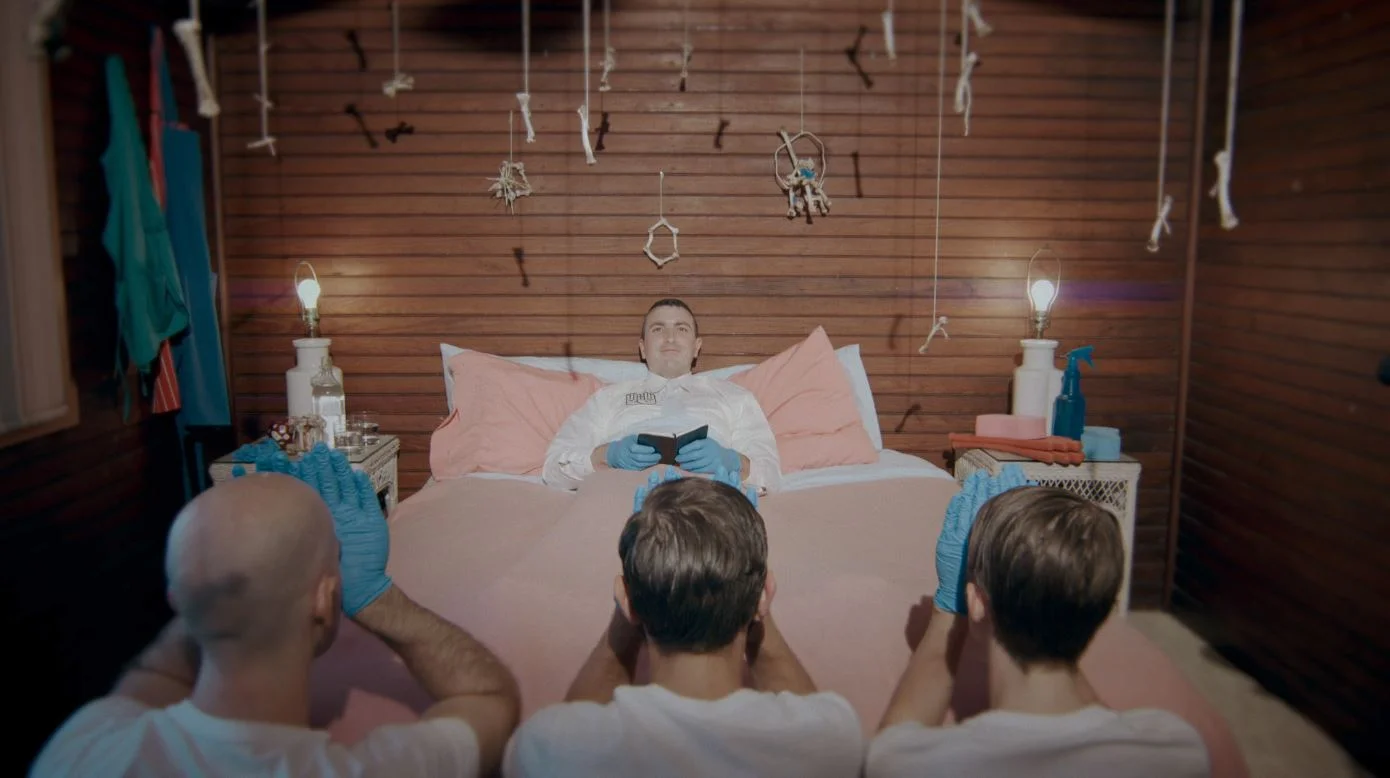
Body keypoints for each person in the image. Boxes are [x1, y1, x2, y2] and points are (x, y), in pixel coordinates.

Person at [30, 446, 521, 777]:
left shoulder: (84, 745)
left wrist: (224, 554)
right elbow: (489, 698)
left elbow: (154, 674)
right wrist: (373, 595)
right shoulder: (379, 769)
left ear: (177, 599)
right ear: (324, 601)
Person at [504, 469, 863, 777]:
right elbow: (808, 712)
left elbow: (574, 721)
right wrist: (750, 592)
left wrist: (631, 603)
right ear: (765, 595)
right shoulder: (832, 740)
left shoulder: (548, 749)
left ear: (626, 600)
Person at [868, 478, 1210, 778]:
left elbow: (891, 743)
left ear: (977, 603)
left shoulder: (916, 764)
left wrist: (947, 608)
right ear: (1100, 609)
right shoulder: (1178, 750)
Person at [542, 298, 781, 492]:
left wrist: (733, 462)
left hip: (706, 502)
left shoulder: (734, 397)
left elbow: (771, 476)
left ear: (697, 347)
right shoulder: (608, 398)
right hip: (621, 497)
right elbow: (552, 471)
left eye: (681, 329)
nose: (670, 337)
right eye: (658, 329)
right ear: (643, 348)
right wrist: (605, 455)